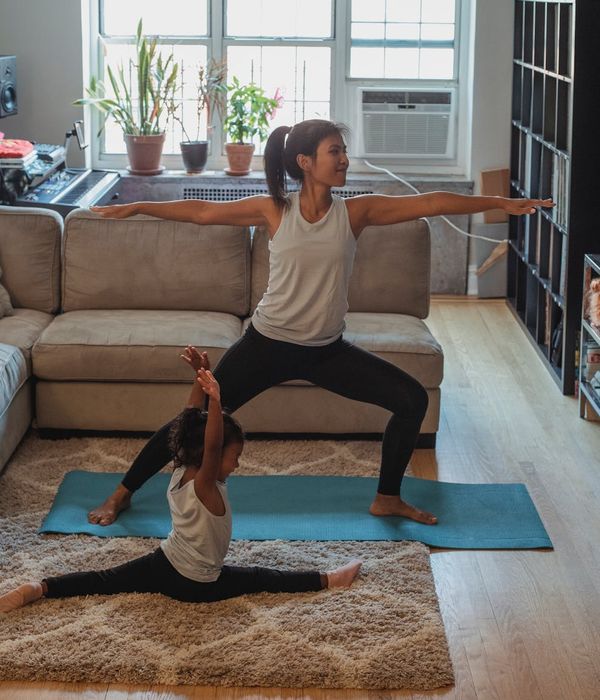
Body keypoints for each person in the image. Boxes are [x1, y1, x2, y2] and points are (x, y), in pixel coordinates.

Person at [86, 118, 553, 528]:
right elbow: (203, 213)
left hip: (327, 350)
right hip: (266, 344)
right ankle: (123, 491)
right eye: (336, 151)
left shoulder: (356, 212)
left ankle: (387, 498)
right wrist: (137, 207)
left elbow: (430, 203)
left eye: (344, 151)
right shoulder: (275, 210)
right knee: (194, 418)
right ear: (305, 161)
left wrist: (499, 202)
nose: (345, 159)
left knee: (411, 400)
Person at [0, 366, 362, 613]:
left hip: (165, 564)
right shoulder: (207, 484)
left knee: (107, 579)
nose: (236, 464)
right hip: (199, 584)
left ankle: (40, 588)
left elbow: (188, 420)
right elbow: (212, 438)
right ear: (212, 455)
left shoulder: (178, 470)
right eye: (234, 456)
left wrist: (200, 379)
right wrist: (217, 400)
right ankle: (329, 579)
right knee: (259, 576)